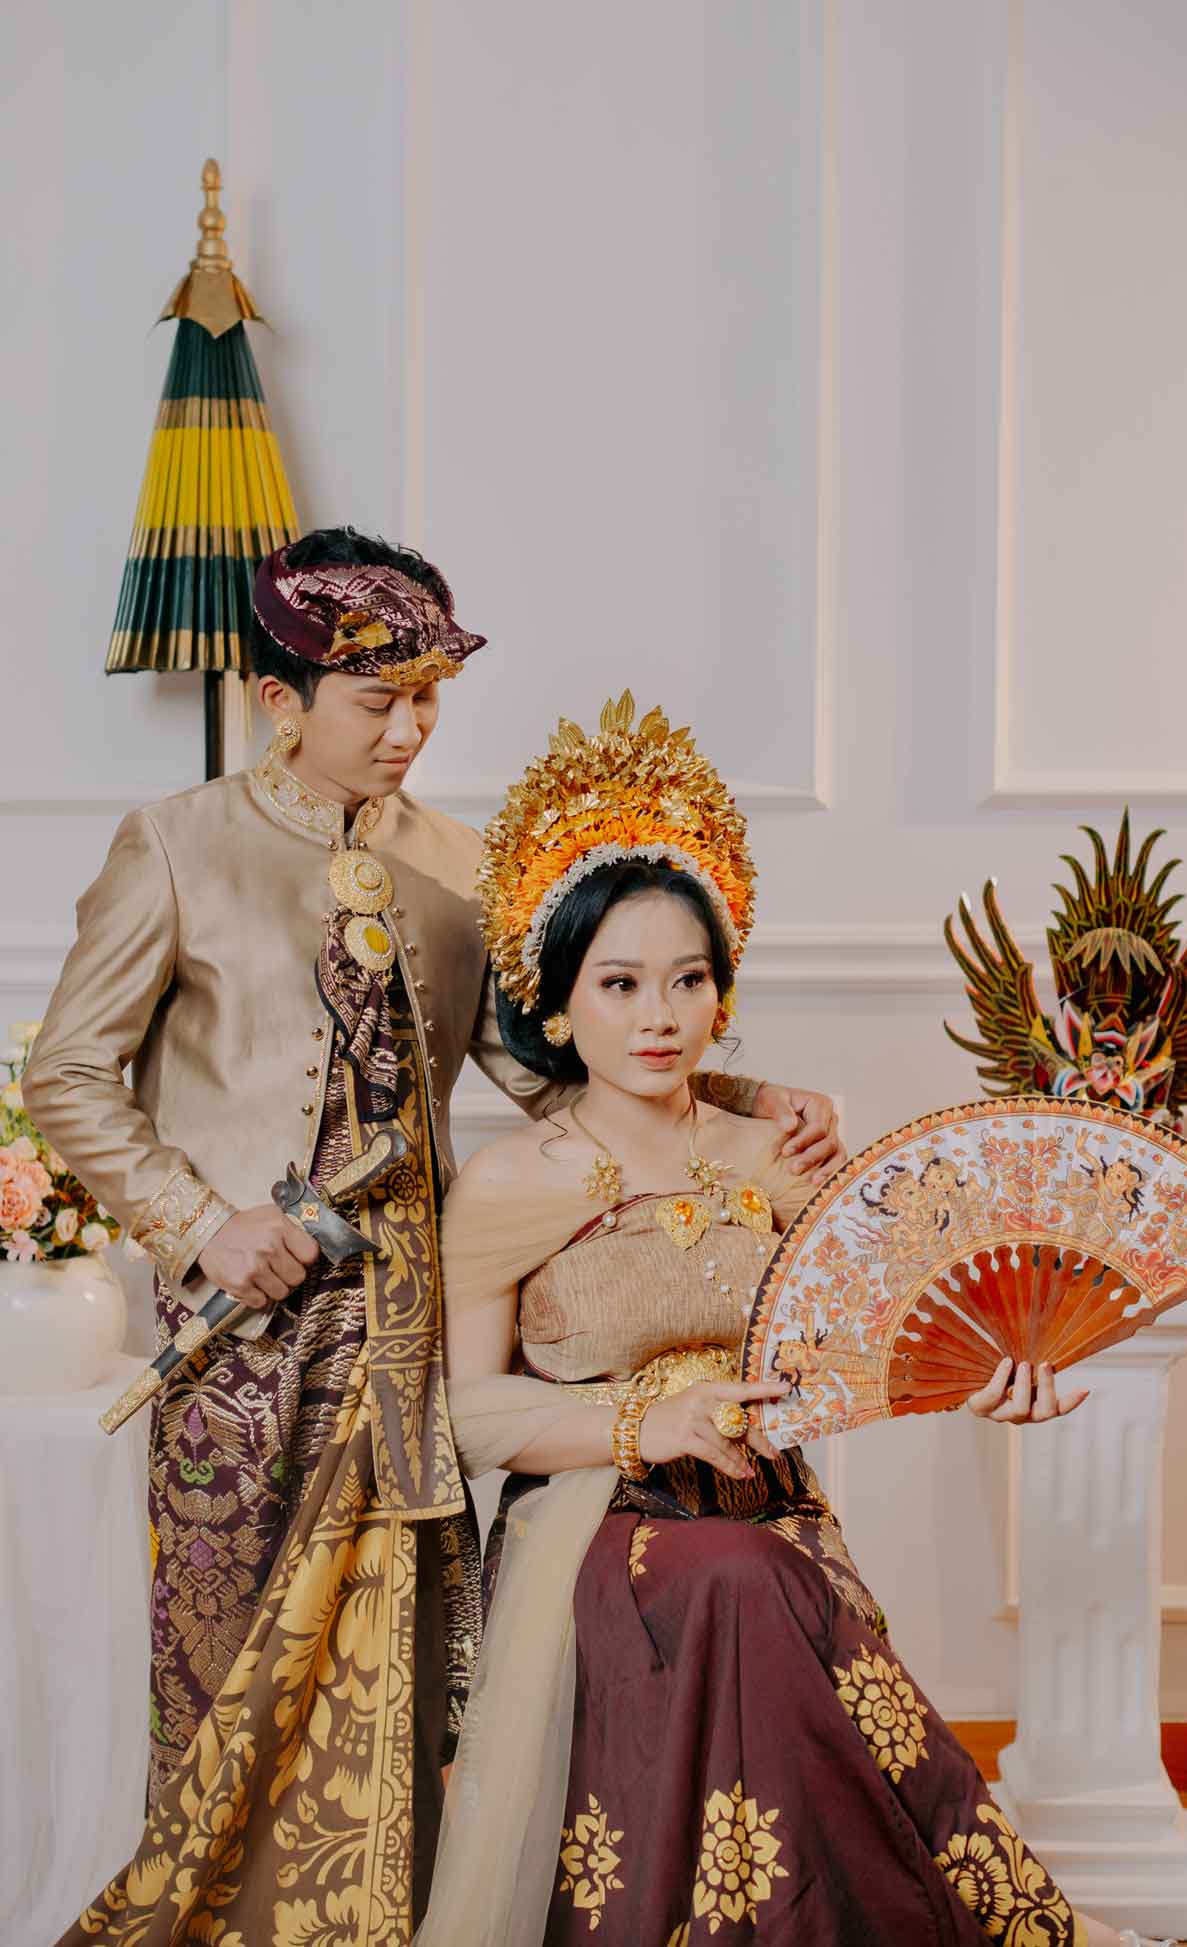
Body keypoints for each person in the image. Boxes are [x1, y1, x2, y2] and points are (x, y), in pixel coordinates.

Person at [24, 542, 843, 1943]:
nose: (410, 730)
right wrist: (201, 1225)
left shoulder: (462, 870)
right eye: (376, 701)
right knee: (233, 1668)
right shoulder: (174, 843)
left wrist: (755, 1101)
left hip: (411, 1341)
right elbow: (68, 1073)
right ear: (277, 698)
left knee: (398, 1673)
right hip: (244, 1354)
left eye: (427, 699)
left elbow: (552, 1072)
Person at [419, 694, 1174, 1947]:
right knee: (741, 1581)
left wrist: (987, 1380)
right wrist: (646, 1420)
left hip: (774, 1521)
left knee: (758, 1575)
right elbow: (463, 1410)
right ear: (556, 1006)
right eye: (618, 983)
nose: (658, 1016)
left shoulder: (779, 1153)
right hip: (594, 1532)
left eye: (688, 980)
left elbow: (873, 1341)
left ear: (721, 994)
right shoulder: (509, 1183)